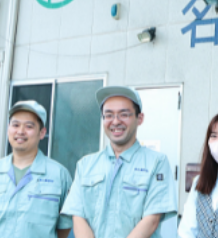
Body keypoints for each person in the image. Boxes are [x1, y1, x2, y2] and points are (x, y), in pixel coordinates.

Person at [61, 86, 178, 238]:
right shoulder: (85, 165)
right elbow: (78, 216)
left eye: (124, 114)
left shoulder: (157, 162)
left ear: (140, 118)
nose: (115, 121)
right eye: (108, 115)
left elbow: (152, 219)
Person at [0, 100, 73, 238]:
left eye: (29, 126)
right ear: (8, 129)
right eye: (15, 125)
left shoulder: (59, 175)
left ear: (42, 133)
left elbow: (64, 227)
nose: (20, 131)